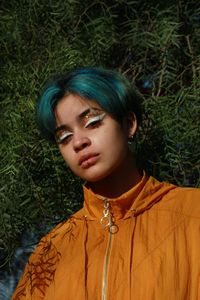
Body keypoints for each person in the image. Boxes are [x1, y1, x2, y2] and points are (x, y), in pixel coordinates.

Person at [12, 67, 200, 300]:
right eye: (64, 137)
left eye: (92, 123)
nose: (78, 142)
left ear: (129, 123)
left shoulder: (193, 212)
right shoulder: (50, 252)